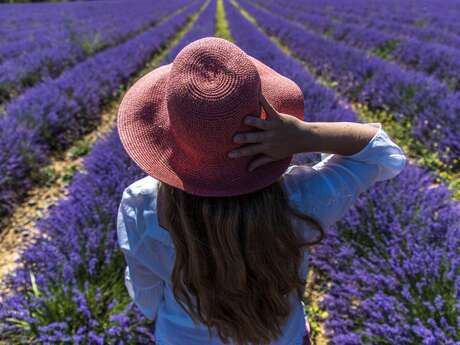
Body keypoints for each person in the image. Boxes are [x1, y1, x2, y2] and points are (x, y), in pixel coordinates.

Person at [116, 37, 407, 345]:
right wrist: (306, 136)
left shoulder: (142, 205)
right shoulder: (301, 200)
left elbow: (145, 291)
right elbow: (381, 152)